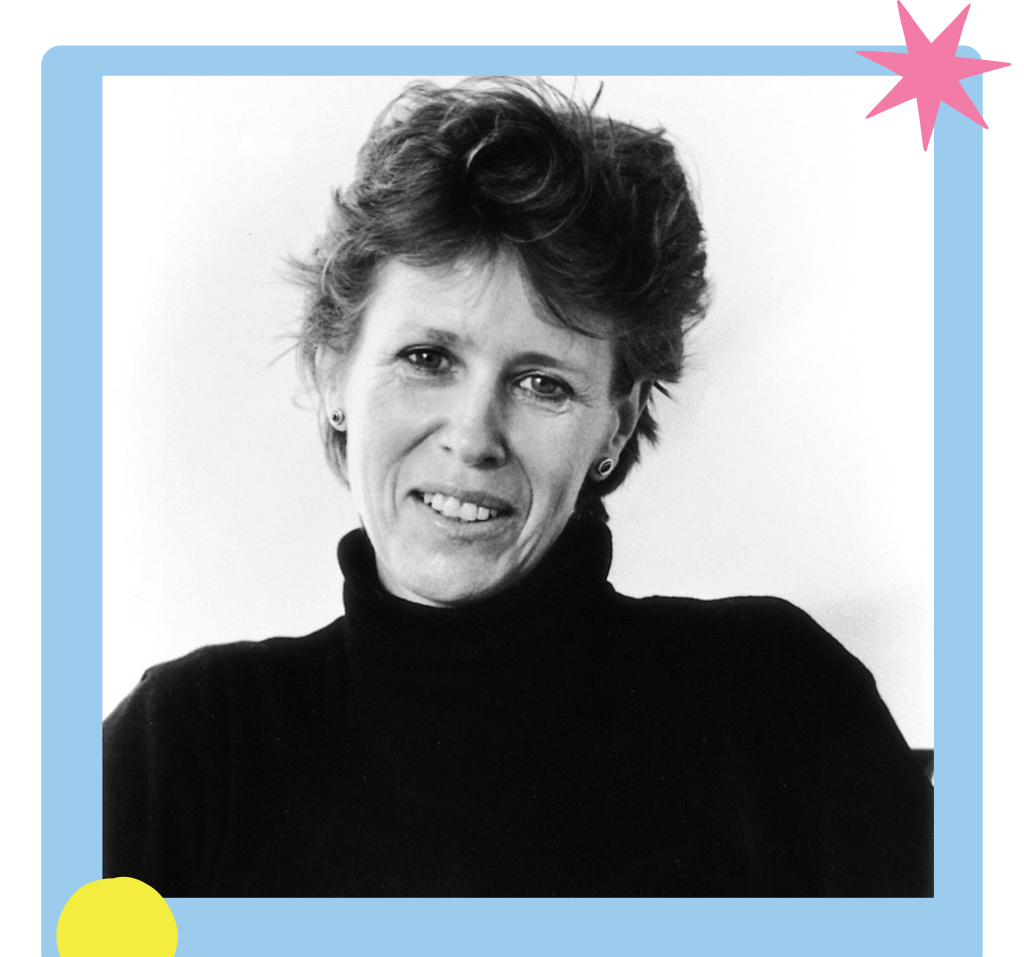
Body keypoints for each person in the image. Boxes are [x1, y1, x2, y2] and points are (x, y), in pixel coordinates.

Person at [103, 77, 933, 897]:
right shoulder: (188, 746)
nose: (474, 437)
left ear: (615, 425)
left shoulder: (773, 703)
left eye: (543, 384)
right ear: (331, 375)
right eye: (427, 358)